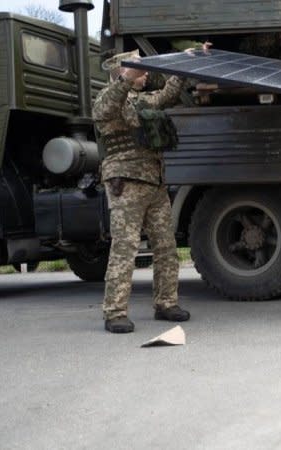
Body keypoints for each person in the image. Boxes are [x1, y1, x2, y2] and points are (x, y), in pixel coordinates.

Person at [92, 47, 206, 333]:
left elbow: (167, 94)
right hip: (126, 182)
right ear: (122, 71)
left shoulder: (142, 101)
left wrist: (183, 62)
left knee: (166, 247)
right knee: (125, 247)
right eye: (139, 69)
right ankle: (115, 312)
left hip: (154, 182)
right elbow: (105, 108)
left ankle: (166, 303)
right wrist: (126, 78)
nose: (145, 74)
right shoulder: (109, 98)